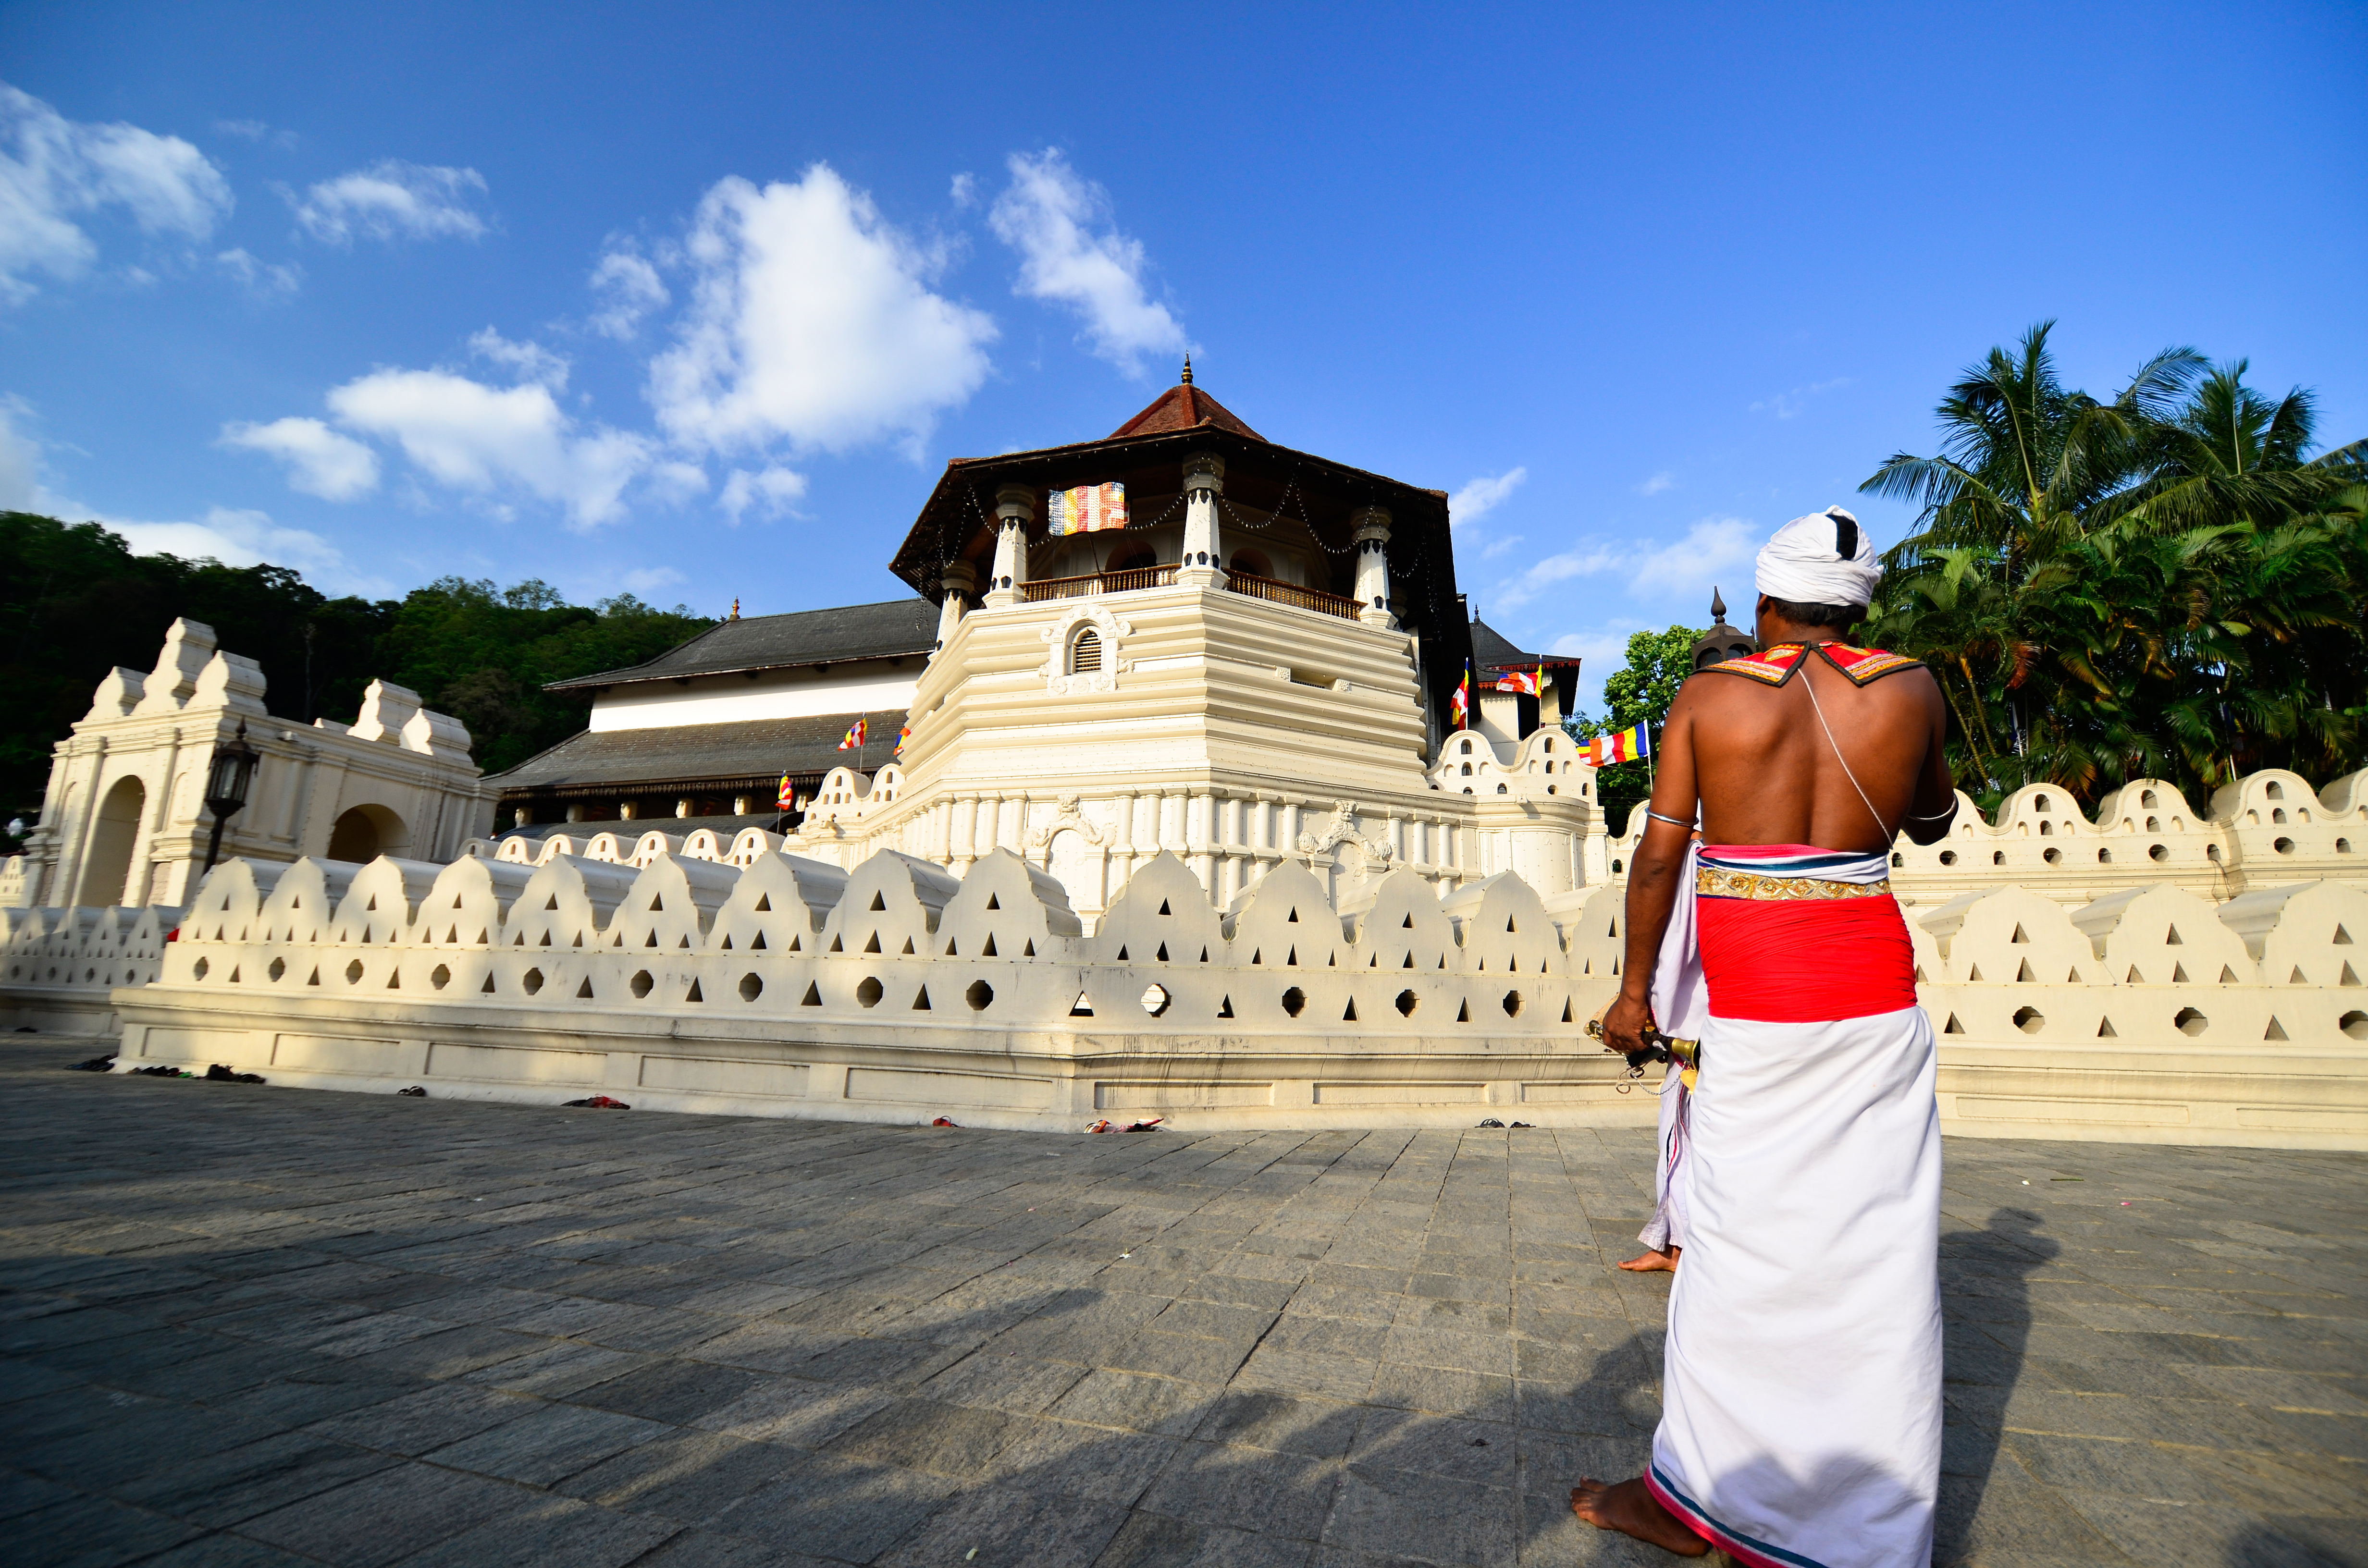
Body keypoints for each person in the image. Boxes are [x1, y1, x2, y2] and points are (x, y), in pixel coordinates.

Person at [1572, 506, 1959, 1567]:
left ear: (1763, 603)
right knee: (1875, 1263)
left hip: (1754, 1009)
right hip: (1873, 1005)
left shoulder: (1707, 698)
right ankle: (1867, 1527)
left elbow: (1656, 861)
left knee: (1734, 1258)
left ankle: (1692, 1498)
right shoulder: (1913, 687)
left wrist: (1633, 996)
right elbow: (1932, 818)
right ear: (1862, 603)